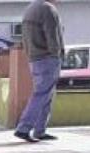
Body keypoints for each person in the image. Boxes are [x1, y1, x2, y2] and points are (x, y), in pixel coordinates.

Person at [15, 0, 64, 143]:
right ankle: (24, 128)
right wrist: (56, 54)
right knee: (42, 94)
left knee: (46, 95)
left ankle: (40, 130)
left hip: (34, 58)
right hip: (47, 57)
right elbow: (52, 35)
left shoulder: (30, 8)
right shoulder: (48, 9)